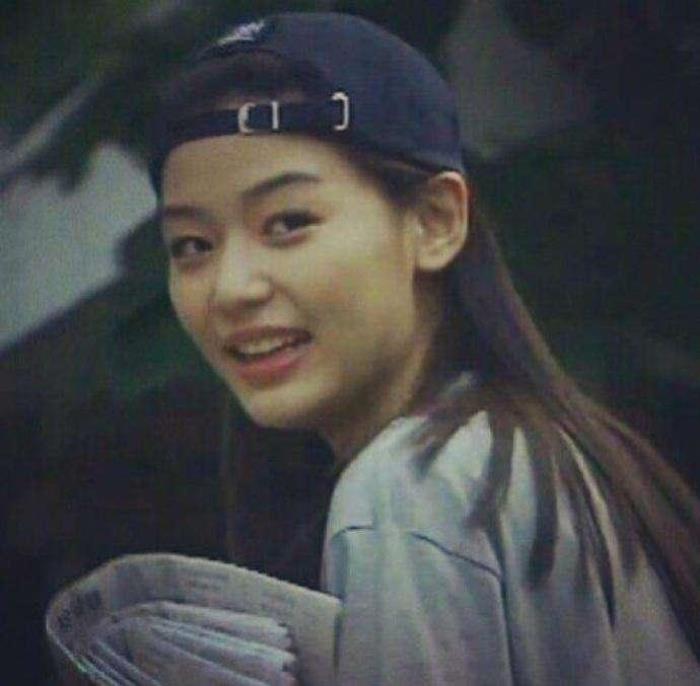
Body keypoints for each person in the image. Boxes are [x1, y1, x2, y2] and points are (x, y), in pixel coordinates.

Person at [149, 11, 700, 684]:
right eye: (192, 245)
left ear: (435, 222)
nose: (231, 288)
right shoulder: (535, 451)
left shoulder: (407, 491)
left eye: (288, 222)